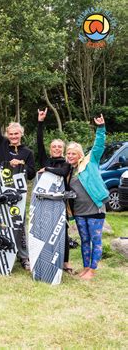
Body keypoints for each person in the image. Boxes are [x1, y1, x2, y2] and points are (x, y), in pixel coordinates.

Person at [0, 93, 35, 270]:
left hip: (18, 194)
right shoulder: (2, 144)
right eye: (11, 133)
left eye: (16, 133)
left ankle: (24, 257)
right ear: (7, 134)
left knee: (18, 225)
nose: (13, 136)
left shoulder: (27, 152)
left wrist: (21, 164)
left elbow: (31, 173)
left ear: (21, 134)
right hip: (0, 189)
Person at [66, 114, 108, 280]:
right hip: (79, 211)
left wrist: (101, 128)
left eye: (73, 153)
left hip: (95, 208)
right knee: (84, 240)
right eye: (68, 153)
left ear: (80, 154)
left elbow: (98, 146)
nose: (70, 156)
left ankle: (92, 270)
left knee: (95, 239)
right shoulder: (69, 171)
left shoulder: (89, 162)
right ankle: (85, 267)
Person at [36, 108, 73, 274]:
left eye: (59, 147)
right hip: (45, 201)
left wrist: (47, 169)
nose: (57, 148)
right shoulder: (46, 159)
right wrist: (40, 122)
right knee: (45, 229)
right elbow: (39, 142)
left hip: (60, 202)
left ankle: (64, 263)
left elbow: (63, 173)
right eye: (54, 146)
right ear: (51, 149)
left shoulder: (66, 163)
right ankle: (44, 258)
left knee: (62, 232)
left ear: (62, 149)